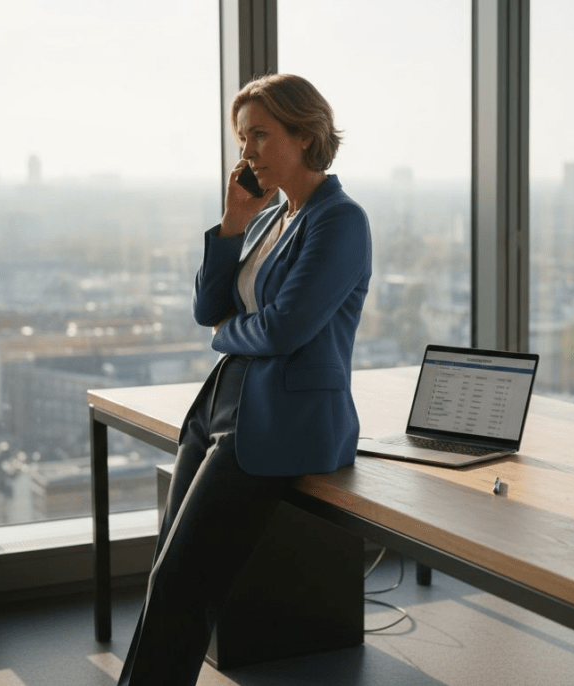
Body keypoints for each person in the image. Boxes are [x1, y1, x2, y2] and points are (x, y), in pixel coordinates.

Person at [118, 73, 372, 685]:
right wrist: (233, 222)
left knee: (184, 580)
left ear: (304, 132)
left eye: (260, 134)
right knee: (164, 571)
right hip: (222, 407)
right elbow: (209, 307)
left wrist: (229, 333)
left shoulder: (339, 221)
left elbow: (283, 331)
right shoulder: (267, 219)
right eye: (242, 138)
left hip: (283, 420)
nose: (246, 151)